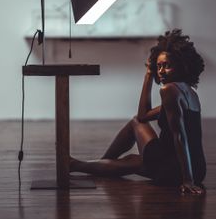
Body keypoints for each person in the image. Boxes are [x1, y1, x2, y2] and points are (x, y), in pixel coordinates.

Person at [70, 29, 206, 195]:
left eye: (167, 66)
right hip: (198, 168)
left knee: (135, 124)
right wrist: (149, 74)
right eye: (158, 66)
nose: (161, 71)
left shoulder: (169, 90)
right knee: (132, 161)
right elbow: (145, 115)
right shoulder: (191, 93)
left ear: (181, 65)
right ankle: (81, 164)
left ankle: (94, 163)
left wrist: (187, 180)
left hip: (175, 167)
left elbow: (180, 136)